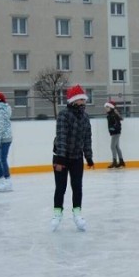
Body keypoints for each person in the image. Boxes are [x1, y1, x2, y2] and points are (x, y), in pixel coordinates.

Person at [51, 84, 95, 232]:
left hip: (76, 158)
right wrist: (61, 159)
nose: (84, 101)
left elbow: (87, 138)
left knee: (77, 187)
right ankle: (57, 214)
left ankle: (77, 214)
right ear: (74, 100)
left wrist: (88, 156)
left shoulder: (85, 117)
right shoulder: (64, 115)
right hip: (61, 158)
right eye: (81, 98)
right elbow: (62, 136)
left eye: (84, 98)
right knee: (60, 187)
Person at [104, 101, 125, 168]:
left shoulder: (113, 115)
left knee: (112, 146)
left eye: (107, 107)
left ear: (110, 107)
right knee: (116, 147)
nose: (106, 108)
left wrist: (113, 128)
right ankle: (121, 161)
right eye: (105, 107)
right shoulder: (110, 114)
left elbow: (118, 124)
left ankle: (115, 162)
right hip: (115, 133)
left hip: (116, 133)